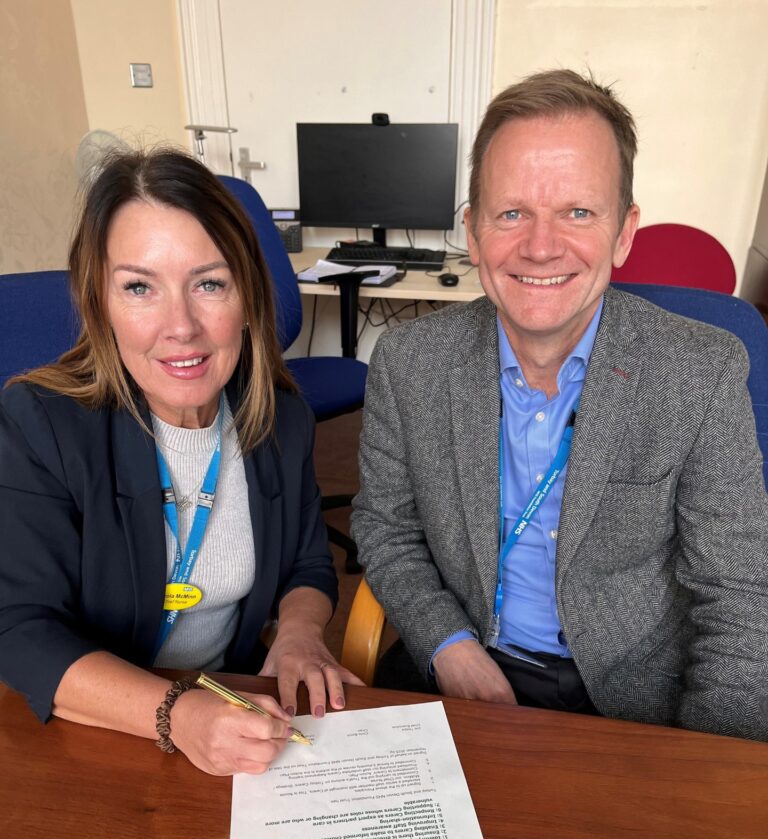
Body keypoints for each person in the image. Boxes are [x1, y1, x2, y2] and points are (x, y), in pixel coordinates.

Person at [351, 69, 768, 741]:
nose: (541, 245)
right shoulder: (409, 363)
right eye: (511, 212)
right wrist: (446, 644)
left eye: (578, 211)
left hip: (635, 708)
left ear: (624, 232)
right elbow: (386, 529)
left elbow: (740, 595)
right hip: (457, 678)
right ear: (473, 231)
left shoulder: (702, 370)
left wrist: (705, 769)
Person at [0, 148, 361, 775]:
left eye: (209, 284)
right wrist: (176, 713)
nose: (181, 326)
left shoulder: (281, 419)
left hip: (233, 723)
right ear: (100, 305)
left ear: (247, 296)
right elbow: (19, 629)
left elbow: (306, 560)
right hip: (87, 735)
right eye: (140, 287)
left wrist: (301, 633)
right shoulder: (39, 424)